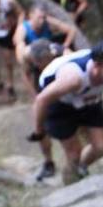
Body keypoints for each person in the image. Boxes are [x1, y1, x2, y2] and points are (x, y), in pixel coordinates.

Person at [29, 40, 103, 186]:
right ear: (96, 66)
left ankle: (80, 168)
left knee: (102, 147)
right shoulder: (73, 78)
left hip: (88, 98)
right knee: (74, 154)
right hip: (59, 103)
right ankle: (70, 184)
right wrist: (39, 131)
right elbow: (41, 100)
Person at [22, 38, 64, 181]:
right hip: (41, 86)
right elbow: (26, 75)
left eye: (42, 62)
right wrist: (35, 96)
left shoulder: (61, 53)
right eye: (36, 63)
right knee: (40, 126)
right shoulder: (27, 56)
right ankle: (48, 163)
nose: (39, 65)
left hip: (62, 82)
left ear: (50, 57)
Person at [16, 5, 79, 96]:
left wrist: (65, 45)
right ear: (31, 15)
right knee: (26, 72)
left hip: (50, 53)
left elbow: (71, 30)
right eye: (39, 18)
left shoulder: (48, 21)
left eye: (43, 17)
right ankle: (36, 96)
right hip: (34, 56)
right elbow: (19, 49)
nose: (41, 20)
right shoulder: (22, 29)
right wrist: (27, 59)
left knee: (68, 55)